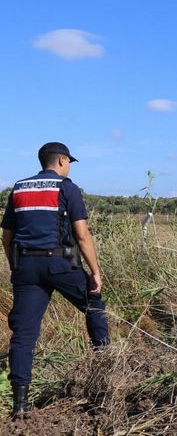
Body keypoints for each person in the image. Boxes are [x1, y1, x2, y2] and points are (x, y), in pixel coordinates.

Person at [0, 142, 110, 417]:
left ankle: (20, 405)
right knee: (93, 303)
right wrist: (95, 271)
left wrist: (16, 266)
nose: (70, 166)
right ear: (61, 160)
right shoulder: (66, 187)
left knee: (24, 335)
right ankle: (106, 365)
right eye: (69, 161)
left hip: (26, 265)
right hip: (59, 263)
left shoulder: (20, 188)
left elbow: (6, 237)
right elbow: (82, 236)